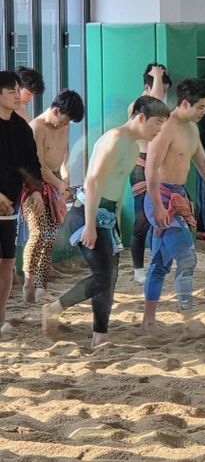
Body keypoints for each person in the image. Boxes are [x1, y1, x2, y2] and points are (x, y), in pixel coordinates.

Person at [41, 96, 170, 347]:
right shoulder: (115, 140)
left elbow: (116, 190)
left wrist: (116, 224)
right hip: (86, 213)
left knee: (110, 277)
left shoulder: (133, 148)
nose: (159, 130)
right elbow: (92, 182)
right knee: (102, 276)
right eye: (157, 123)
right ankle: (54, 307)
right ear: (141, 117)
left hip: (107, 217)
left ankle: (100, 335)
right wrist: (90, 225)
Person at [142, 78, 205, 329]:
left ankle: (148, 320)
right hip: (159, 197)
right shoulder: (165, 127)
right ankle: (187, 315)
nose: (204, 112)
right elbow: (150, 170)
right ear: (185, 103)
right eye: (201, 107)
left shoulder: (192, 129)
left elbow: (203, 164)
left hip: (179, 197)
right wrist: (158, 205)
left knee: (160, 263)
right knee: (186, 257)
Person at [22, 90, 84, 304]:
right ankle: (28, 284)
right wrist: (60, 185)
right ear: (56, 111)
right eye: (65, 120)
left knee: (50, 236)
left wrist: (65, 179)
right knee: (38, 234)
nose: (65, 124)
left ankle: (41, 287)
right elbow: (38, 166)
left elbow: (64, 156)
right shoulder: (36, 128)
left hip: (57, 181)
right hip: (34, 183)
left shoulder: (64, 125)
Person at [0, 71, 44, 336]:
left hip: (10, 207)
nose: (18, 96)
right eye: (11, 91)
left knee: (7, 262)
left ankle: (1, 316)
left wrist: (36, 190)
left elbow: (31, 164)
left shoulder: (21, 127)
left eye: (18, 90)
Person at [128, 63, 173, 284]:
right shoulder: (138, 105)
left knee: (160, 216)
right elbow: (154, 100)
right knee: (142, 220)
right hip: (139, 163)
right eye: (161, 90)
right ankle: (138, 269)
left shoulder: (160, 109)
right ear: (149, 86)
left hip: (157, 165)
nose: (163, 96)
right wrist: (156, 76)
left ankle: (158, 263)